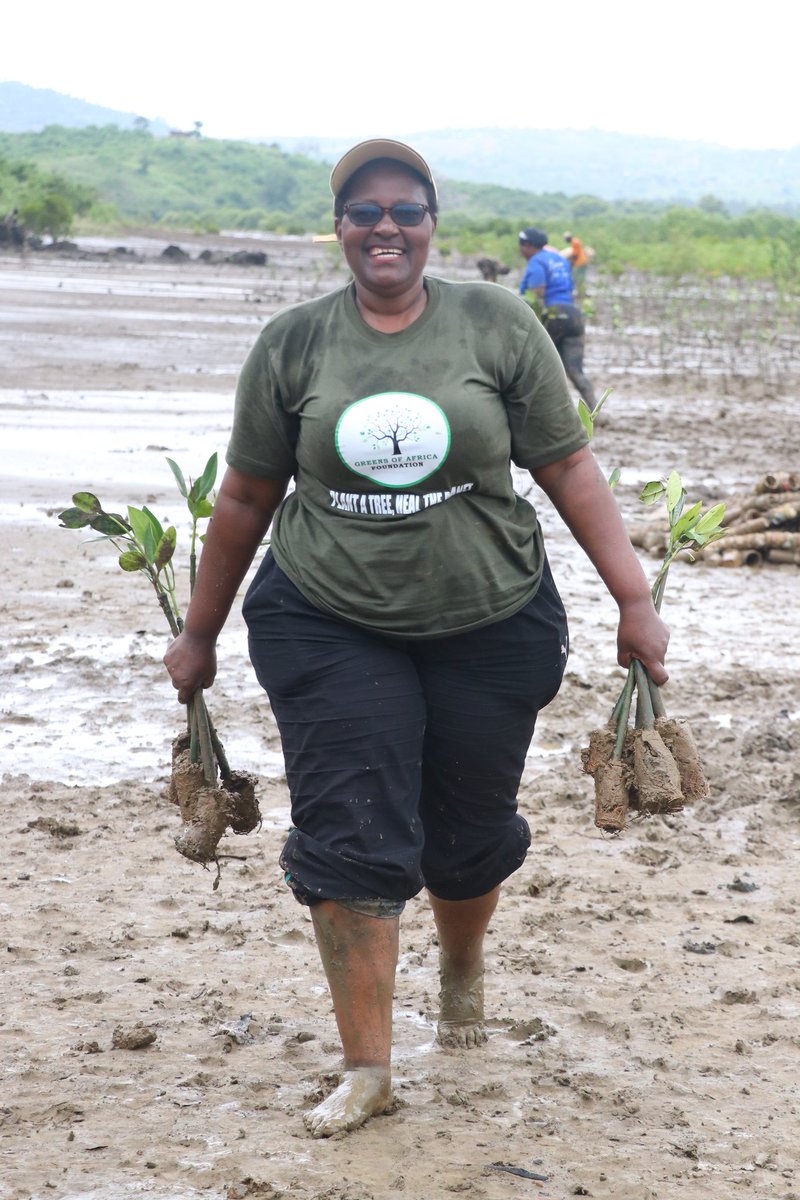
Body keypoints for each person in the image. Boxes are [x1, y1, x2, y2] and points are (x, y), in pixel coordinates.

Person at [163, 138, 668, 1139]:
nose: (383, 228)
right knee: (353, 828)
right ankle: (367, 1067)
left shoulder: (497, 322)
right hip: (324, 615)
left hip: (492, 617)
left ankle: (462, 961)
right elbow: (246, 497)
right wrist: (198, 633)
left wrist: (633, 599)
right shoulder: (294, 343)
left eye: (403, 210)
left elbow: (566, 468)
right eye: (362, 212)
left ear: (431, 224)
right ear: (339, 229)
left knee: (465, 834)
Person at [518, 226, 596, 408]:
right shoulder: (559, 259)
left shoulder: (536, 261)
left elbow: (538, 293)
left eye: (521, 245)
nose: (521, 250)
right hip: (573, 314)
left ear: (528, 246)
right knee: (575, 370)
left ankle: (538, 411)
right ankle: (595, 412)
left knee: (534, 366)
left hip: (553, 314)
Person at [562, 230, 590, 299]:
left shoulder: (575, 242)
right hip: (581, 262)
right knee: (579, 277)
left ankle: (581, 293)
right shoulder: (574, 242)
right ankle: (581, 292)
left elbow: (575, 255)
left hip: (581, 262)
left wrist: (571, 264)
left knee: (579, 277)